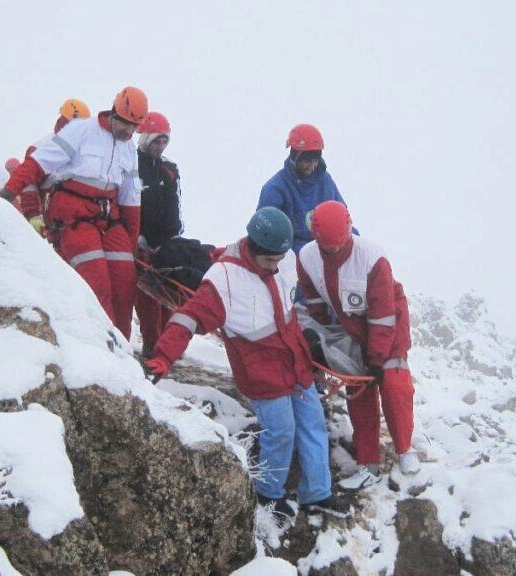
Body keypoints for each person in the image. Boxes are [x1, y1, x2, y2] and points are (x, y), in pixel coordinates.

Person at [144, 207, 352, 520]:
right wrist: (162, 356)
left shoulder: (285, 260)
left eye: (280, 258)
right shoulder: (224, 279)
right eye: (270, 260)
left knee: (313, 422)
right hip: (260, 370)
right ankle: (269, 493)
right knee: (280, 431)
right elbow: (189, 317)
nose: (276, 266)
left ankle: (317, 493)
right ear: (253, 248)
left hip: (295, 361)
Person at [3, 87, 145, 339]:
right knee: (96, 282)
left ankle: (122, 347)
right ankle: (102, 346)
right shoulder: (81, 131)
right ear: (114, 113)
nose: (130, 132)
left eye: (135, 126)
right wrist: (8, 192)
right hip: (74, 212)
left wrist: (131, 244)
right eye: (126, 124)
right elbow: (38, 164)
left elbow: (130, 197)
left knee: (125, 282)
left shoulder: (129, 148)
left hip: (108, 217)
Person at [297, 201, 417, 490]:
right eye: (329, 248)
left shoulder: (372, 258)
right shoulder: (307, 257)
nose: (335, 252)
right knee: (358, 386)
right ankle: (368, 462)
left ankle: (404, 449)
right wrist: (324, 341)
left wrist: (377, 358)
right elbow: (314, 302)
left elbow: (383, 314)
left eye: (340, 246)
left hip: (389, 321)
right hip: (350, 324)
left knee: (392, 382)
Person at [258, 124, 348, 254]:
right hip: (292, 250)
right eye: (306, 161)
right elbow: (266, 232)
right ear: (294, 157)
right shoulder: (274, 188)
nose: (312, 166)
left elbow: (343, 215)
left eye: (315, 161)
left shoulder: (325, 180)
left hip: (326, 241)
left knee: (354, 238)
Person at [135, 111, 182, 358]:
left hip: (166, 243)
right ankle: (152, 345)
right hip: (141, 243)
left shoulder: (169, 170)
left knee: (169, 295)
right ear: (145, 139)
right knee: (147, 299)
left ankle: (168, 345)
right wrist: (138, 237)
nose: (160, 146)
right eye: (156, 141)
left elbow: (175, 205)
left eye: (164, 141)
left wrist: (175, 236)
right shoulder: (131, 165)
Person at [14, 99, 94, 235]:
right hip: (51, 219)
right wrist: (33, 214)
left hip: (83, 218)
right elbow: (29, 184)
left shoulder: (88, 150)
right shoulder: (40, 148)